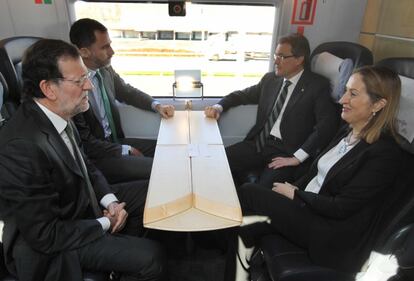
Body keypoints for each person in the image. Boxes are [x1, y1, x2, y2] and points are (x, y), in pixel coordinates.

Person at [0, 39, 165, 281]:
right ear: (48, 89)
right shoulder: (21, 147)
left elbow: (86, 166)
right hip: (53, 245)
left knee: (152, 192)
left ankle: (118, 261)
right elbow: (45, 234)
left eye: (86, 77)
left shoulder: (60, 114)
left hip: (79, 207)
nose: (89, 85)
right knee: (152, 258)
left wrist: (110, 202)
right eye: (79, 81)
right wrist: (105, 223)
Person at [238, 65, 403, 273]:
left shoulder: (384, 153)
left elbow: (342, 207)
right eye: (345, 91)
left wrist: (296, 194)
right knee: (245, 225)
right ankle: (237, 266)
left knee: (249, 192)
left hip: (328, 229)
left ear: (378, 104)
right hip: (309, 207)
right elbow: (315, 173)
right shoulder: (347, 131)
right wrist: (293, 188)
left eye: (352, 94)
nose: (342, 99)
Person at [204, 33, 339, 188]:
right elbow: (241, 95)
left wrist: (298, 157)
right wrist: (217, 107)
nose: (275, 61)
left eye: (281, 56)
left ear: (299, 59)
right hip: (258, 144)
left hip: (285, 152)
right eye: (276, 55)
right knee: (216, 162)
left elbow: (326, 126)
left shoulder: (317, 86)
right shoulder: (271, 80)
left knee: (259, 191)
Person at [69, 18, 175, 184]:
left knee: (171, 148)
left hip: (115, 141)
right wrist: (124, 150)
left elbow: (127, 91)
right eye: (105, 47)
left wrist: (156, 105)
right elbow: (86, 142)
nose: (112, 52)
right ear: (84, 52)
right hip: (98, 155)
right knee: (164, 169)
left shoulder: (104, 69)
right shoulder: (73, 87)